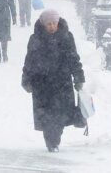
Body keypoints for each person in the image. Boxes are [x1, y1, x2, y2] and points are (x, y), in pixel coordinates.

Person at [21, 9, 85, 153]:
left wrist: (79, 77)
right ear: (43, 24)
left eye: (54, 23)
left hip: (62, 82)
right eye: (48, 24)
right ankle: (51, 142)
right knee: (47, 116)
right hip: (42, 83)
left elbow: (74, 58)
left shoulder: (66, 37)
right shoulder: (35, 39)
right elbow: (29, 60)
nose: (51, 26)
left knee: (61, 115)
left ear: (58, 23)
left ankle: (55, 139)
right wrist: (26, 79)